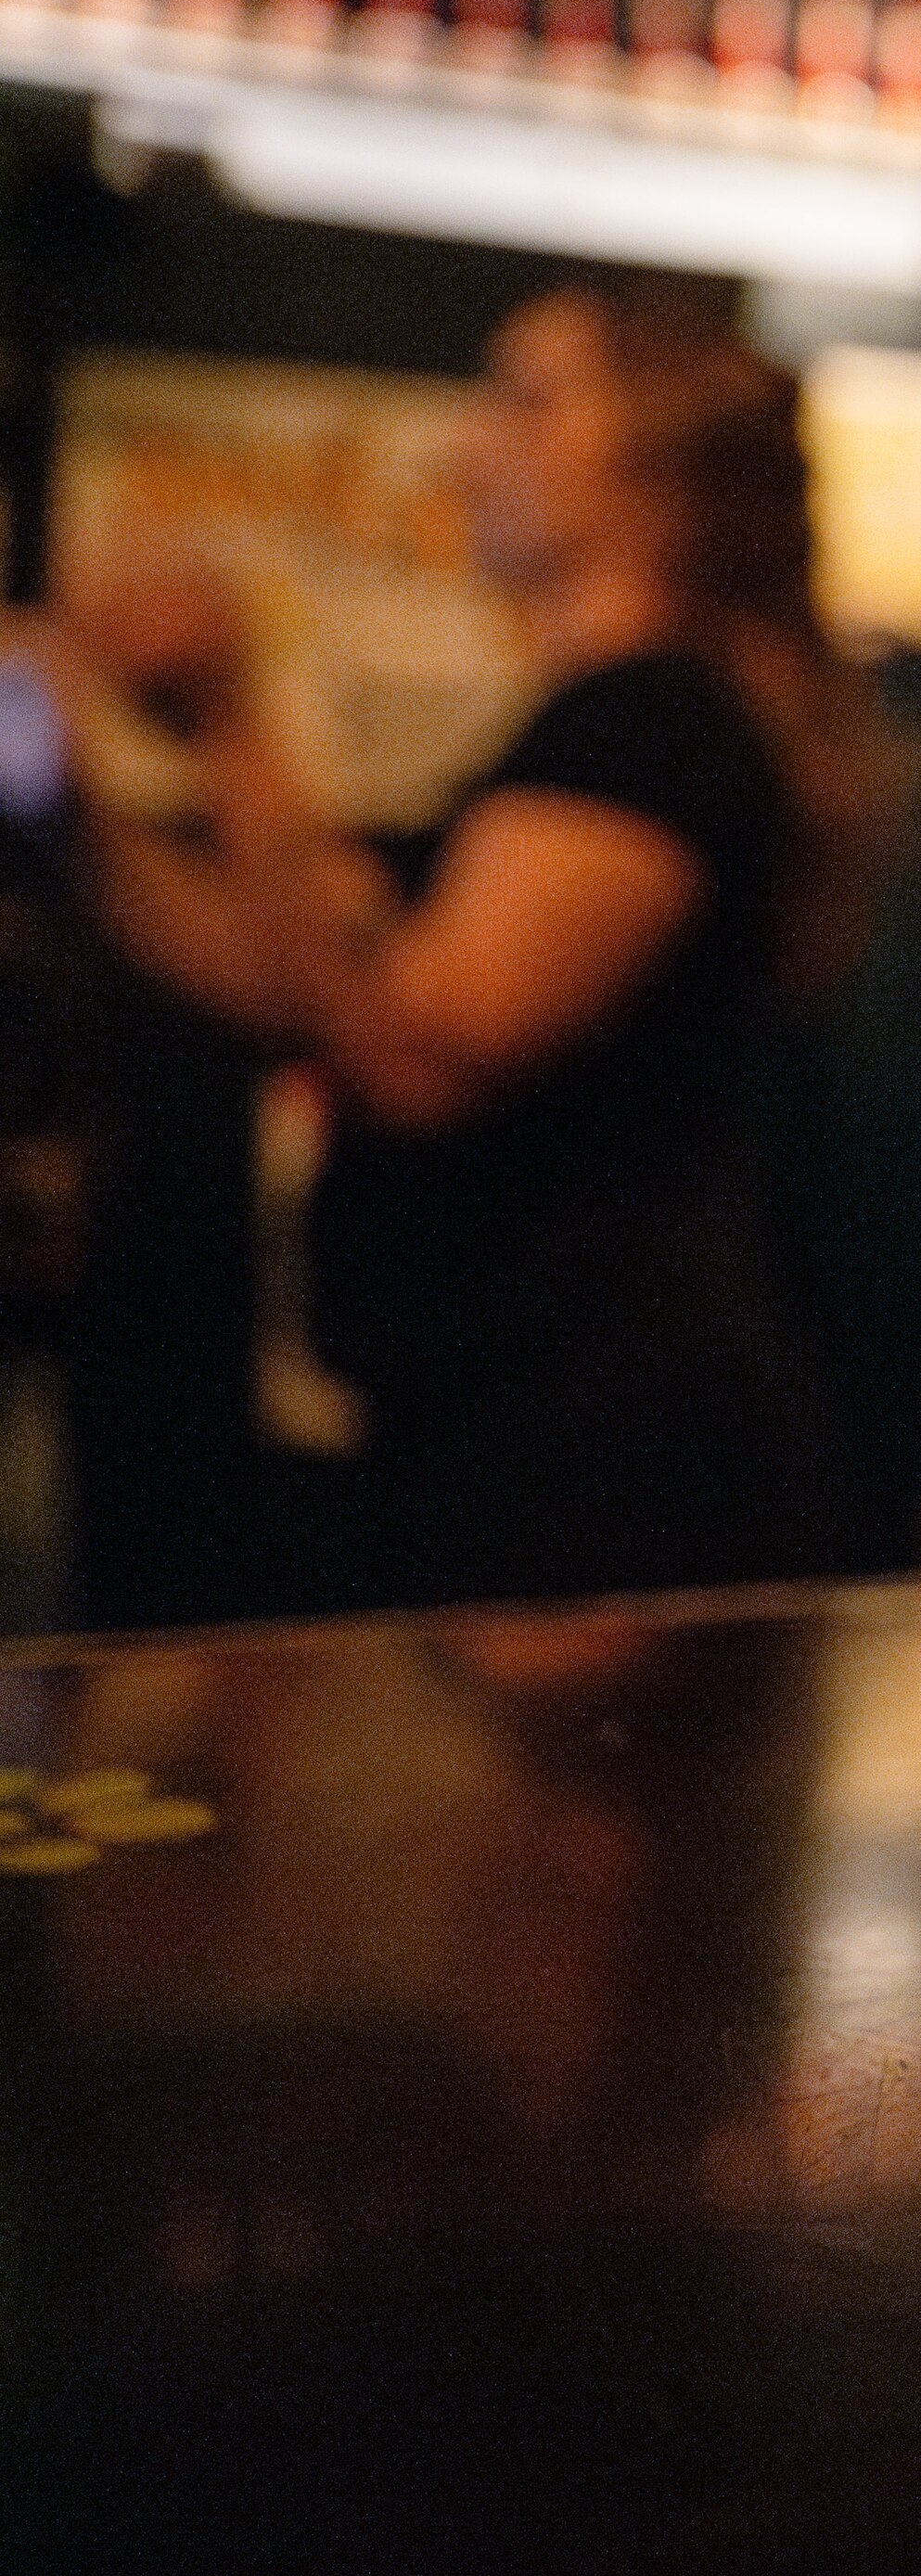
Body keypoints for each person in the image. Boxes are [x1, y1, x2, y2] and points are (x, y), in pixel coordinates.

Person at [51, 286, 873, 1604]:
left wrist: (227, 714)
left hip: (593, 1440)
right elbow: (280, 978)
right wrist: (70, 796)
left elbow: (422, 1049)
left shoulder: (656, 721)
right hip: (501, 1422)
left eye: (527, 398)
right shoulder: (585, 729)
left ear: (657, 467)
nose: (467, 445)